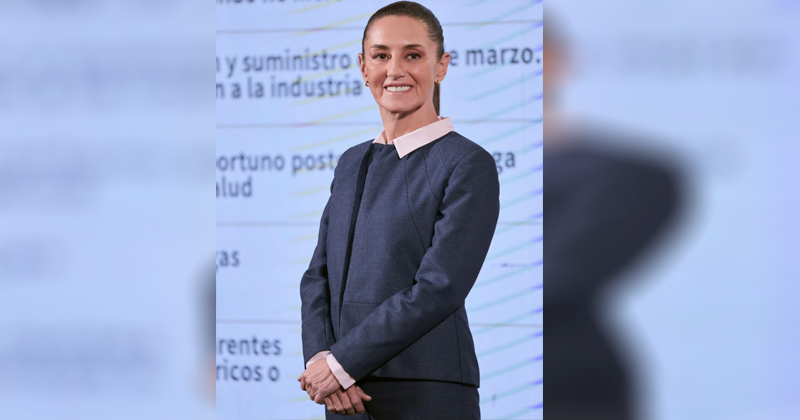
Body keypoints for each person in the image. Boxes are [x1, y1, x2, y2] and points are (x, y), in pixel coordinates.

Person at [297, 2, 500, 419]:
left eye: (413, 55)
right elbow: (319, 275)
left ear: (440, 66)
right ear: (363, 67)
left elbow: (440, 286)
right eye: (381, 55)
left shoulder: (466, 163)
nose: (395, 70)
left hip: (427, 392)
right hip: (344, 395)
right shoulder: (351, 162)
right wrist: (322, 359)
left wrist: (342, 363)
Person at [543, 21, 683, 420]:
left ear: (554, 59)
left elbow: (558, 279)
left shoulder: (628, 179)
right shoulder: (397, 173)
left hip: (563, 385)